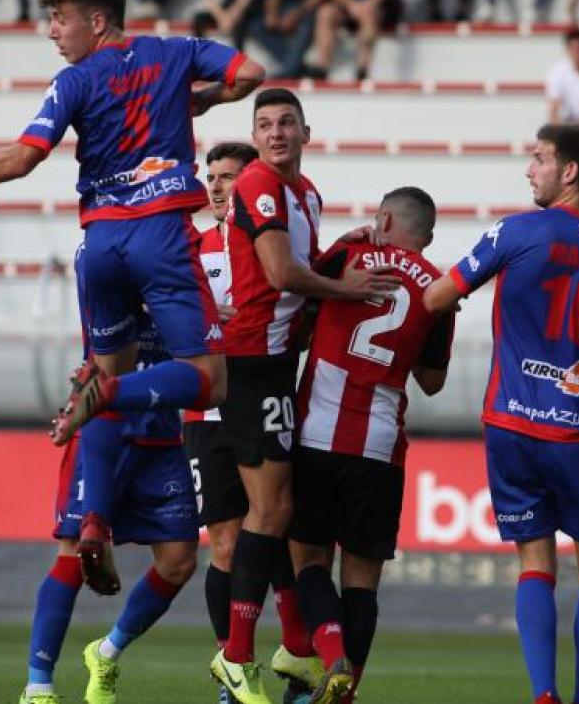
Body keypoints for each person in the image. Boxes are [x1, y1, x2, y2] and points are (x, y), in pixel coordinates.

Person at [0, 0, 265, 595]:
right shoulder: (174, 54)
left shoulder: (73, 81)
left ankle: (91, 520)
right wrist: (200, 96)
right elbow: (252, 75)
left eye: (58, 20)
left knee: (104, 370)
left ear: (97, 20)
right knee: (209, 382)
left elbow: (21, 159)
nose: (51, 33)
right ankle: (106, 403)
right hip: (160, 237)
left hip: (99, 247)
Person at [423, 125, 579, 704]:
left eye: (539, 159)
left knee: (533, 558)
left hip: (511, 422)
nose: (528, 169)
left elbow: (435, 298)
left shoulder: (517, 231)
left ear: (571, 172)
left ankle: (543, 694)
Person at [208, 87, 398, 704]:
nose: (276, 133)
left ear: (305, 131)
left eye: (286, 122)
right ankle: (238, 656)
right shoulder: (259, 186)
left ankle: (289, 646)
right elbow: (283, 274)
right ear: (256, 136)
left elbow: (307, 261)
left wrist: (346, 248)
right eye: (264, 124)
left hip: (279, 364)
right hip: (249, 362)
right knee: (267, 514)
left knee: (280, 513)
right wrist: (347, 288)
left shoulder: (306, 193)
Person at [289, 186, 456, 704]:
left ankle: (330, 653)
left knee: (308, 563)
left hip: (316, 433)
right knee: (362, 582)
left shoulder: (346, 256)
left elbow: (295, 323)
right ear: (426, 236)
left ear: (382, 218)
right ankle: (345, 690)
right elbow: (431, 381)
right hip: (380, 447)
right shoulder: (439, 289)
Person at [185, 141, 320, 704]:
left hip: (258, 386)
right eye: (212, 177)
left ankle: (289, 656)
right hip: (205, 410)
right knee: (226, 542)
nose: (218, 187)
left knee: (276, 527)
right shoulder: (185, 247)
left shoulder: (269, 234)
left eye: (230, 176)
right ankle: (232, 666)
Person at [22, 313, 198, 704]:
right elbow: (99, 355)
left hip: (161, 439)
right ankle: (38, 687)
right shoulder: (114, 270)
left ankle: (106, 652)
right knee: (73, 553)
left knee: (180, 562)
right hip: (105, 431)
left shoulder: (186, 280)